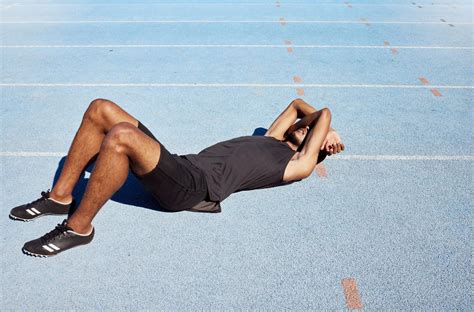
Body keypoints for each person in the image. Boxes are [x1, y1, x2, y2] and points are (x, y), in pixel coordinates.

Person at [9, 98, 344, 257]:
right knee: (101, 109)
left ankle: (78, 228)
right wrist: (310, 122)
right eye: (303, 127)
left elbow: (323, 113)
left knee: (122, 135)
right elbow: (297, 105)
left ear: (316, 147)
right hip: (182, 167)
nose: (303, 128)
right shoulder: (271, 138)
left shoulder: (298, 164)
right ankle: (60, 197)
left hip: (193, 189)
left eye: (311, 132)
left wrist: (326, 128)